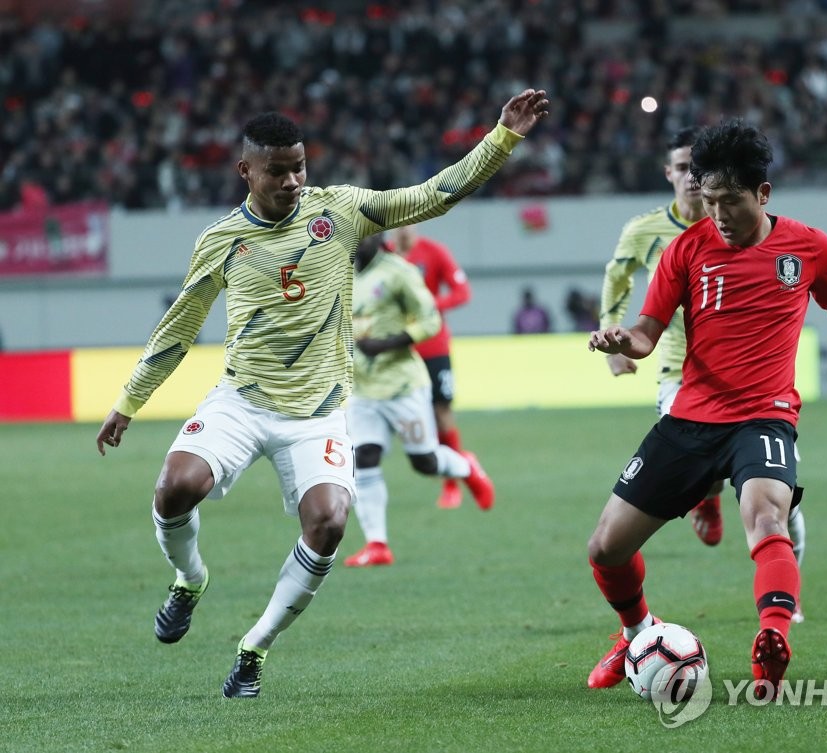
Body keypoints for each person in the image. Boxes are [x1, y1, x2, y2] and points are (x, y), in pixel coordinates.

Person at [94, 89, 550, 698]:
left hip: (318, 413)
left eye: (298, 167)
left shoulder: (340, 212)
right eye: (276, 171)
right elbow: (180, 325)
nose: (291, 181)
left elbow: (433, 195)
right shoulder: (221, 239)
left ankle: (254, 648)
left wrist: (502, 138)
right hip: (242, 402)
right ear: (246, 171)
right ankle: (190, 578)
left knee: (330, 521)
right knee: (176, 486)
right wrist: (130, 401)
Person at [585, 119, 827, 699]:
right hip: (691, 416)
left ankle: (771, 640)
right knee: (605, 548)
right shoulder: (685, 250)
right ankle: (638, 632)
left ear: (762, 194)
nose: (717, 214)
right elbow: (646, 335)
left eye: (730, 201)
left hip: (763, 417)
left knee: (768, 519)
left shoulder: (808, 246)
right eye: (709, 201)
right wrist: (623, 343)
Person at [600, 127, 807, 600]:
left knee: (771, 501)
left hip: (758, 393)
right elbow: (619, 284)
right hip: (679, 371)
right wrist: (613, 338)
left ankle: (779, 593)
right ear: (671, 174)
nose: (693, 182)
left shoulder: (784, 241)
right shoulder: (654, 234)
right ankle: (708, 498)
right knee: (698, 463)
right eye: (683, 169)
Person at [343, 233, 494, 567]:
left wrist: (388, 344)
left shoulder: (399, 272)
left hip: (402, 386)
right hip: (362, 389)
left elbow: (430, 321)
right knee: (363, 458)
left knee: (423, 461)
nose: (357, 240)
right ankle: (377, 545)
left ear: (379, 236)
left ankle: (467, 466)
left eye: (365, 233)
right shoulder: (340, 271)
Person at [391, 224, 473, 509]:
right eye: (396, 222)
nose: (403, 228)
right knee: (396, 417)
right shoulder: (384, 256)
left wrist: (432, 305)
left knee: (441, 412)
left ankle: (452, 484)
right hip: (396, 351)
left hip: (433, 347)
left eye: (407, 221)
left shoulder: (434, 252)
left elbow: (462, 291)